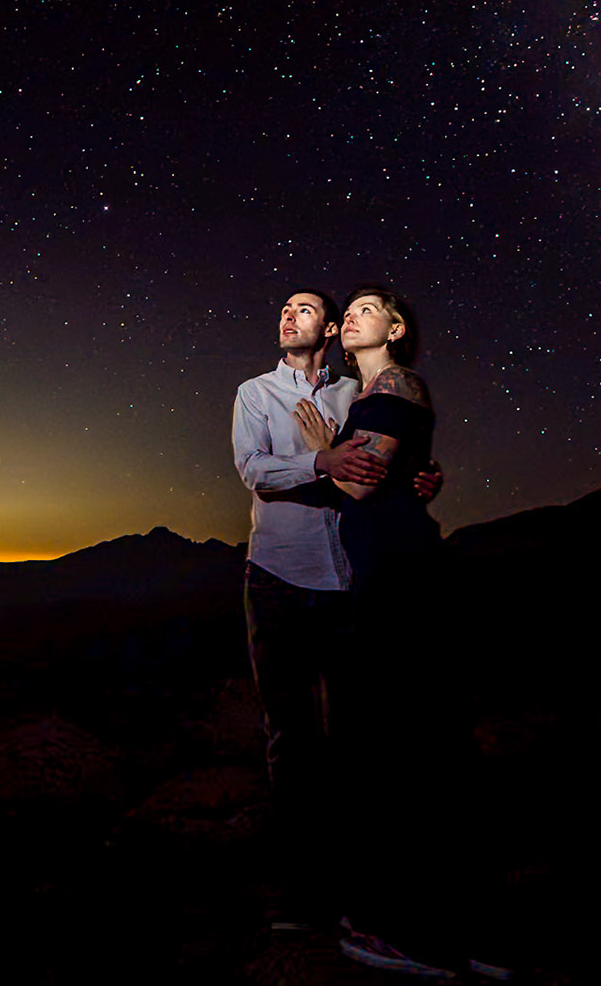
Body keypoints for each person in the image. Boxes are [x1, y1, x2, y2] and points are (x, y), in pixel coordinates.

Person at [293, 287, 513, 981]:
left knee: (401, 741)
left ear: (397, 327)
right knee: (427, 739)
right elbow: (398, 473)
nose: (351, 314)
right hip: (396, 568)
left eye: (368, 308)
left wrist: (322, 450)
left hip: (395, 577)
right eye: (348, 309)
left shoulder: (393, 383)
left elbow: (359, 483)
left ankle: (413, 935)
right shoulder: (377, 393)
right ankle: (475, 935)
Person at [231, 288, 440, 934]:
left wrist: (419, 477)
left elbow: (387, 456)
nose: (288, 315)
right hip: (278, 576)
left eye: (304, 309)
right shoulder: (254, 393)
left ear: (326, 329)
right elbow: (253, 469)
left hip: (349, 580)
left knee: (355, 737)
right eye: (285, 308)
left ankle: (363, 891)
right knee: (291, 740)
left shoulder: (356, 393)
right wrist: (322, 460)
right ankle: (304, 894)